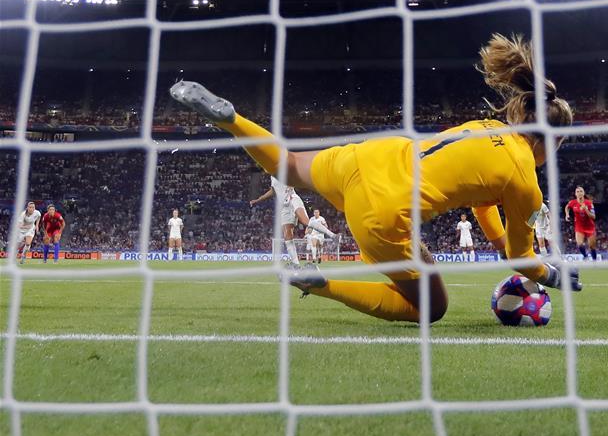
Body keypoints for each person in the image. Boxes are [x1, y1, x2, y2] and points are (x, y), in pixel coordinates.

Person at [169, 33, 581, 324]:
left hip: (372, 155)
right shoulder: (526, 182)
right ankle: (321, 283)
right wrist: (553, 275)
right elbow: (521, 259)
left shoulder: (485, 127)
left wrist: (494, 239)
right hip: (385, 208)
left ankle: (234, 119)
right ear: (555, 139)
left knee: (289, 165)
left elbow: (483, 197)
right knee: (429, 309)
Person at [250, 176, 334, 267]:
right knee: (287, 236)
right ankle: (296, 264)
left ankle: (332, 235)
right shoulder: (272, 176)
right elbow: (273, 191)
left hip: (292, 199)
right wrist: (259, 199)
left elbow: (295, 177)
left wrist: (291, 184)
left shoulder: (283, 166)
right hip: (283, 206)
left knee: (306, 222)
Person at [565, 186, 597, 261]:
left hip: (589, 227)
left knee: (592, 246)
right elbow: (567, 207)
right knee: (579, 244)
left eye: (581, 191)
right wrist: (567, 215)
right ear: (575, 194)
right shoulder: (573, 202)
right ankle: (585, 256)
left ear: (584, 193)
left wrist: (586, 210)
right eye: (577, 192)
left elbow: (593, 217)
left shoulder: (589, 203)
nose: (579, 193)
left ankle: (595, 261)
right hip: (579, 227)